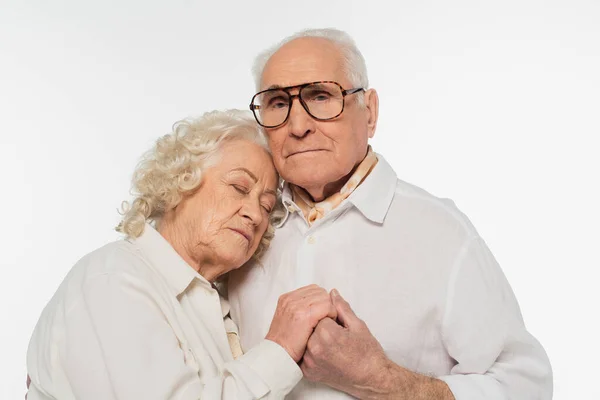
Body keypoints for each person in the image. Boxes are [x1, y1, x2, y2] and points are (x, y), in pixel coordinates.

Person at [228, 28, 553, 399]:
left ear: (370, 113)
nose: (298, 126)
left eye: (320, 96)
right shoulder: (239, 229)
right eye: (278, 103)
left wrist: (381, 379)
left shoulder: (440, 233)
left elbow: (526, 387)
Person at [25, 109, 337, 399]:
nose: (256, 214)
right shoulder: (113, 279)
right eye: (240, 188)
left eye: (267, 206)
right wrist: (280, 348)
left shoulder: (216, 304)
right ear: (181, 180)